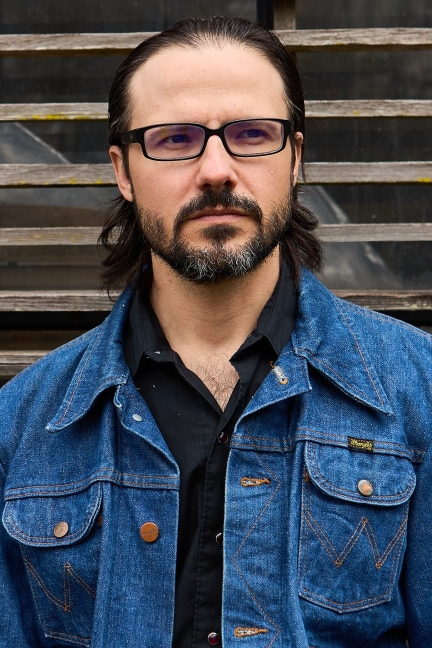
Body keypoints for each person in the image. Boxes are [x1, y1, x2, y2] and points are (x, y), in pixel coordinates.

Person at [0, 16, 431, 648]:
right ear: (123, 172)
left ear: (295, 158)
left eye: (252, 134)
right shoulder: (20, 426)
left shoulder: (420, 393)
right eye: (175, 139)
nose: (216, 169)